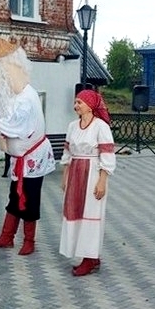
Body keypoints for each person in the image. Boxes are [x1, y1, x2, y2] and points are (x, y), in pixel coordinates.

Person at [0, 38, 55, 255]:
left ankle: (29, 240)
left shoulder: (25, 98)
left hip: (32, 159)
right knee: (15, 196)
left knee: (30, 199)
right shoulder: (14, 96)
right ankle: (7, 236)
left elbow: (16, 127)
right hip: (20, 159)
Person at [59, 89, 116, 276]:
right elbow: (67, 153)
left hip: (92, 171)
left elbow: (107, 156)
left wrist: (102, 181)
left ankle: (89, 258)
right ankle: (89, 255)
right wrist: (65, 176)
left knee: (91, 213)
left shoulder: (101, 127)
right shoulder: (72, 126)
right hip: (76, 170)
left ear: (90, 106)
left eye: (79, 103)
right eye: (75, 102)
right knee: (75, 212)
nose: (76, 106)